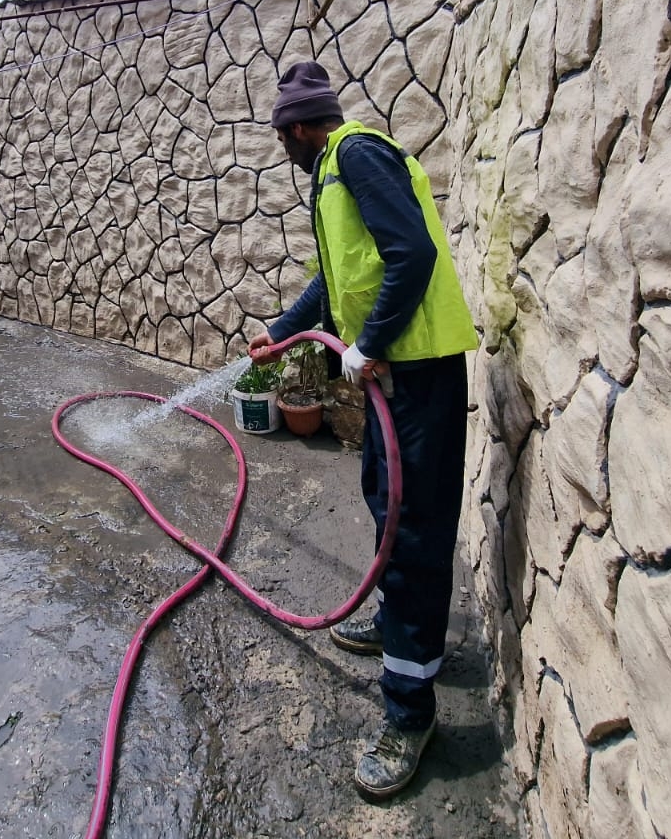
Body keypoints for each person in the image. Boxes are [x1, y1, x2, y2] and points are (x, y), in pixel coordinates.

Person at [247, 60, 477, 800]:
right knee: (386, 500)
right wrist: (283, 332)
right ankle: (401, 623)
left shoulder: (356, 156)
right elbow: (336, 277)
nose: (284, 144)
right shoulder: (334, 176)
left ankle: (409, 714)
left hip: (416, 375)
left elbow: (413, 255)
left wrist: (370, 344)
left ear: (298, 128)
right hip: (393, 379)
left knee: (411, 533)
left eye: (284, 132)